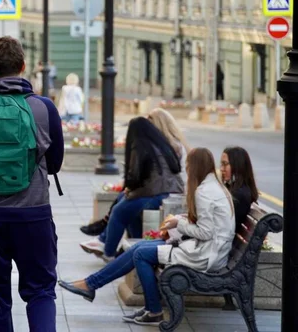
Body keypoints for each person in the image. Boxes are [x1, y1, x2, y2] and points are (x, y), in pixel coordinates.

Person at [59, 147, 235, 327]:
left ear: (195, 166)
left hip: (204, 256)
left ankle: (153, 310)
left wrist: (178, 224)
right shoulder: (211, 186)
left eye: (188, 165)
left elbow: (206, 232)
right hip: (204, 249)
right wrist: (180, 219)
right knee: (138, 247)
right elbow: (207, 226)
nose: (186, 169)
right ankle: (91, 285)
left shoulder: (204, 192)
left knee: (140, 254)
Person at [0, 37, 64, 332]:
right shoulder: (44, 109)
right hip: (33, 214)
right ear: (23, 66)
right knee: (41, 291)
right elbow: (55, 163)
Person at [80, 117, 184, 262]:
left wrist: (131, 193)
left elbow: (142, 181)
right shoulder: (159, 144)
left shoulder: (142, 147)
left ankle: (108, 252)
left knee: (119, 211)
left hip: (159, 195)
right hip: (168, 192)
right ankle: (128, 249)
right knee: (128, 207)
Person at [220, 146, 259, 232]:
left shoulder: (239, 195)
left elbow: (221, 226)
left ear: (237, 166)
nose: (221, 169)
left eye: (225, 164)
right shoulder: (235, 189)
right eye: (221, 164)